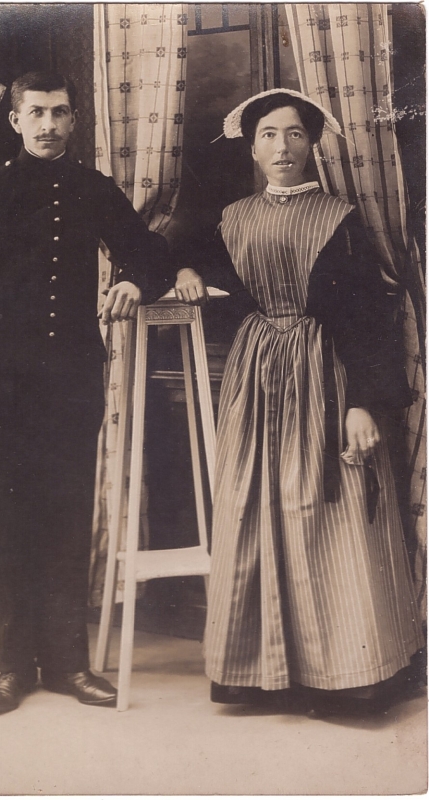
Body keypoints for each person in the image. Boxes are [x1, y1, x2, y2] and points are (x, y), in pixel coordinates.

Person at [0, 71, 173, 715]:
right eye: (35, 113)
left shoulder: (94, 190)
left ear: (73, 120)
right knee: (7, 525)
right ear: (16, 120)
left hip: (70, 387)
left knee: (66, 521)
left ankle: (67, 664)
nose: (47, 125)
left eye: (59, 114)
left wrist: (135, 280)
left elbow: (145, 248)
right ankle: (12, 667)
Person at [178, 89, 424, 716]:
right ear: (251, 145)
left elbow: (370, 317)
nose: (281, 148)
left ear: (313, 143)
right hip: (256, 374)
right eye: (267, 135)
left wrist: (363, 402)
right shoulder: (231, 217)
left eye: (293, 134)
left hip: (326, 375)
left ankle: (344, 675)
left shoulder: (340, 220)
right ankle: (259, 672)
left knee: (320, 506)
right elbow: (185, 262)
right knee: (254, 503)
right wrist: (181, 272)